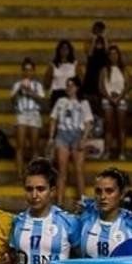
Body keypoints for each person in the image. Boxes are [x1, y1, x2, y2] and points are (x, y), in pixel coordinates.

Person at [47, 76, 94, 205]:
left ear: (77, 87)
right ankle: (59, 203)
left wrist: (84, 139)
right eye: (67, 85)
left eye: (72, 85)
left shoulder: (83, 103)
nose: (69, 88)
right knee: (62, 171)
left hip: (77, 134)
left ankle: (83, 202)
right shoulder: (60, 101)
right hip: (62, 134)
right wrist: (51, 138)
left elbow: (88, 123)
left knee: (79, 170)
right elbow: (53, 120)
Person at [78, 168, 132, 258]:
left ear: (122, 194)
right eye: (98, 191)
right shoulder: (84, 219)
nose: (103, 196)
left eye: (109, 191)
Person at [11, 58, 46, 175]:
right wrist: (20, 90)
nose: (28, 72)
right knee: (20, 145)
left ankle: (33, 173)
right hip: (21, 114)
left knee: (34, 146)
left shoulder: (38, 85)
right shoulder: (17, 85)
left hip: (34, 114)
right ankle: (19, 173)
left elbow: (42, 101)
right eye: (25, 70)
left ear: (33, 71)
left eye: (30, 70)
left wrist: (30, 92)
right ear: (22, 71)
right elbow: (12, 100)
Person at [101, 45, 129, 159]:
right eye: (111, 54)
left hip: (121, 99)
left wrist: (119, 97)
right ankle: (107, 151)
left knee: (121, 126)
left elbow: (127, 85)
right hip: (107, 99)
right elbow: (101, 86)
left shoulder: (124, 69)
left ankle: (122, 152)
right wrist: (110, 98)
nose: (113, 56)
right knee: (108, 126)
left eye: (115, 54)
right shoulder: (104, 70)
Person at [81, 21, 108, 106]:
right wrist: (93, 40)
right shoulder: (88, 41)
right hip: (92, 69)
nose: (98, 32)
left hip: (102, 68)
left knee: (101, 92)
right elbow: (89, 54)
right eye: (96, 30)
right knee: (91, 93)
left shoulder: (105, 40)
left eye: (100, 30)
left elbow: (107, 52)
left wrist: (104, 39)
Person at [44, 40, 77, 108]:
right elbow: (46, 83)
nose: (64, 50)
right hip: (57, 94)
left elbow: (80, 82)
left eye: (66, 48)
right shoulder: (52, 65)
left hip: (71, 93)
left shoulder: (75, 64)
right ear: (58, 50)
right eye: (62, 48)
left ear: (70, 50)